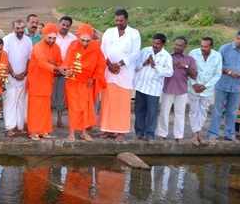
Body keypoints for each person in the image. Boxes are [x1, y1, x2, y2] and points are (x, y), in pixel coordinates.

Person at [100, 8, 141, 141]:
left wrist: (120, 64)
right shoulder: (109, 32)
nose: (118, 22)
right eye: (116, 20)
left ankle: (121, 132)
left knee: (122, 104)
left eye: (121, 20)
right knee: (108, 101)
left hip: (125, 73)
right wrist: (110, 65)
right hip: (109, 72)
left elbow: (135, 53)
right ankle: (107, 129)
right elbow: (103, 49)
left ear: (126, 20)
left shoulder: (134, 33)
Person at [63, 23, 106, 141]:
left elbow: (100, 65)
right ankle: (71, 132)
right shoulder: (73, 45)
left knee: (85, 108)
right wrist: (67, 70)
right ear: (78, 37)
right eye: (83, 40)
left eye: (88, 40)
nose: (85, 43)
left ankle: (83, 132)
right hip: (73, 81)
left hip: (87, 82)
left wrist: (93, 78)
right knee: (73, 108)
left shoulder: (96, 47)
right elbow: (67, 61)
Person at [207, 30, 240, 144]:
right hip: (222, 84)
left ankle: (229, 134)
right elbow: (217, 66)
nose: (239, 41)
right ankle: (213, 134)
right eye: (238, 38)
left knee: (232, 111)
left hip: (236, 86)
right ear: (235, 37)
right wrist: (230, 72)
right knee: (217, 110)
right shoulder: (224, 48)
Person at [27, 23, 63, 140]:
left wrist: (65, 68)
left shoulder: (56, 47)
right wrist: (57, 68)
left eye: (54, 38)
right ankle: (33, 131)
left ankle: (44, 130)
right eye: (50, 37)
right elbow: (42, 63)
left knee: (45, 107)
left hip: (48, 81)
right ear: (44, 36)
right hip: (36, 81)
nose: (52, 40)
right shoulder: (37, 47)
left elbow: (59, 62)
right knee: (35, 107)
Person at [156, 36, 197, 142]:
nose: (177, 47)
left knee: (180, 113)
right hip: (167, 89)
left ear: (185, 46)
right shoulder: (167, 57)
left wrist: (185, 66)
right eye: (176, 45)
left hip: (182, 90)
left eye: (180, 45)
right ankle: (162, 134)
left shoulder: (189, 59)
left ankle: (178, 136)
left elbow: (194, 75)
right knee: (164, 112)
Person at [134, 33, 173, 142]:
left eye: (158, 44)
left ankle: (150, 134)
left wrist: (155, 66)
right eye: (154, 43)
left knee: (152, 112)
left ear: (163, 44)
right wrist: (144, 63)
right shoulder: (145, 50)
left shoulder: (166, 56)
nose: (155, 45)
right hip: (141, 86)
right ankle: (139, 133)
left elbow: (170, 72)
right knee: (139, 111)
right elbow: (135, 66)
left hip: (153, 89)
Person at [188, 37, 222, 146]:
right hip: (194, 88)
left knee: (203, 111)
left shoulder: (217, 56)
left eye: (206, 46)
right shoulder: (193, 53)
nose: (203, 48)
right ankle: (195, 134)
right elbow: (188, 70)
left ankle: (199, 133)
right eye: (201, 46)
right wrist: (194, 84)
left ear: (211, 46)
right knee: (194, 111)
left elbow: (217, 74)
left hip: (207, 90)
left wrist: (205, 86)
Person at [2, 19, 32, 137]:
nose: (20, 31)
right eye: (17, 28)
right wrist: (14, 74)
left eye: (22, 28)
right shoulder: (7, 39)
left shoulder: (28, 40)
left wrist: (24, 73)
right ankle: (10, 127)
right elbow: (5, 58)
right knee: (10, 101)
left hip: (24, 76)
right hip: (10, 76)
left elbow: (30, 58)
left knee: (21, 101)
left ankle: (20, 126)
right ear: (13, 28)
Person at [53, 16, 77, 128]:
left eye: (67, 25)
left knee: (61, 95)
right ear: (59, 23)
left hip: (66, 70)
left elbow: (75, 55)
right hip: (52, 69)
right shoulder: (53, 36)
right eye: (63, 24)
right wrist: (55, 67)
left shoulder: (73, 38)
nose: (65, 27)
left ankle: (59, 118)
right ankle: (47, 119)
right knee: (50, 94)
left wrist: (66, 69)